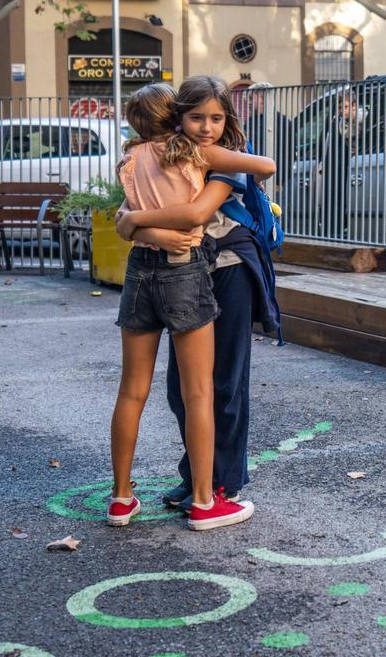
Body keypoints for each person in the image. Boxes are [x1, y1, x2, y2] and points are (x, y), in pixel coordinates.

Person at [107, 78, 275, 532]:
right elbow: (131, 218)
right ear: (176, 117)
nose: (206, 127)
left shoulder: (210, 155)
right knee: (187, 391)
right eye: (196, 117)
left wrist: (137, 223)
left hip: (223, 266)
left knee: (218, 384)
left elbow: (196, 215)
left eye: (216, 118)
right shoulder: (175, 152)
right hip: (185, 269)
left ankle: (219, 485)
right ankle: (199, 487)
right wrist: (141, 227)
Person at [315, 90, 364, 238]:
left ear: (355, 106)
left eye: (347, 107)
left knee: (345, 200)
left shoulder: (362, 120)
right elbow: (324, 142)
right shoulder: (335, 121)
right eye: (342, 107)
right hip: (335, 167)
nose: (344, 110)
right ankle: (334, 230)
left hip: (350, 168)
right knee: (333, 200)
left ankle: (341, 229)